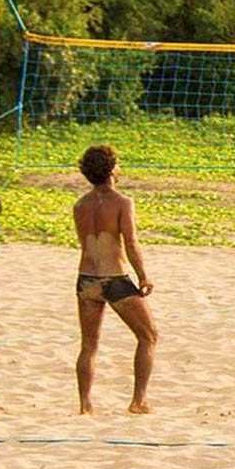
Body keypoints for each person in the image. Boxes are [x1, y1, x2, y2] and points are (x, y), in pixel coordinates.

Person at [73, 145, 158, 414]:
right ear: (111, 170)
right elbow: (130, 243)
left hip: (86, 279)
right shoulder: (123, 202)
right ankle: (138, 401)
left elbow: (84, 243)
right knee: (148, 336)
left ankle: (86, 406)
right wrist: (143, 276)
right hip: (114, 279)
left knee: (88, 345)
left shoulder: (80, 205)